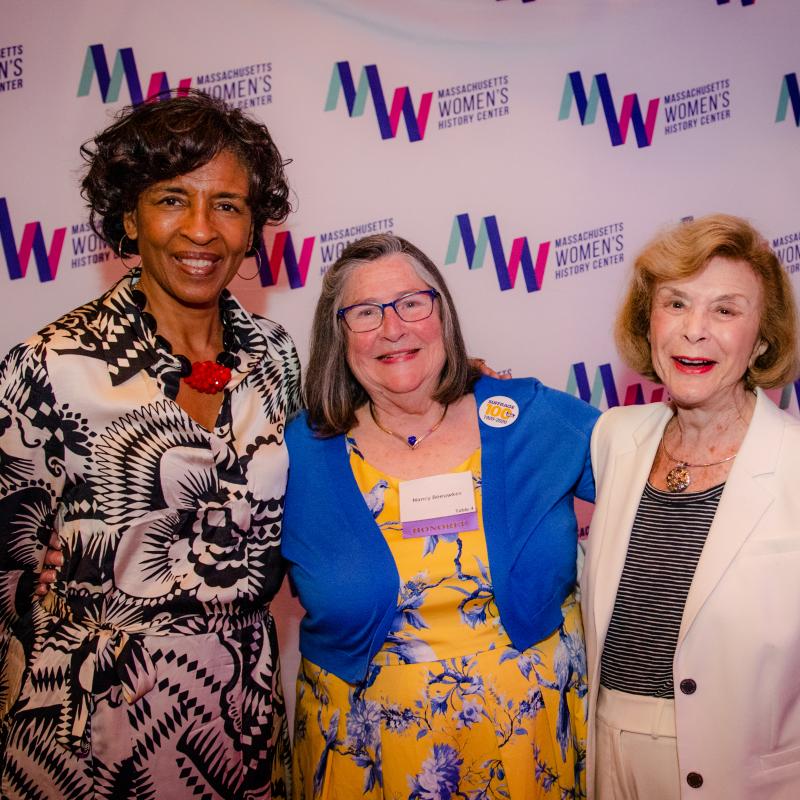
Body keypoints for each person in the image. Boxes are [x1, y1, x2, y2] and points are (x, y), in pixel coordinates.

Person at [0, 92, 300, 799]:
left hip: (241, 722)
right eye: (173, 199)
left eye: (227, 204)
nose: (201, 230)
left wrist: (456, 384)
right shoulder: (52, 363)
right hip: (86, 732)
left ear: (254, 225)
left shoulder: (279, 357)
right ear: (129, 217)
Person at [280, 233, 599, 798]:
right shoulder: (298, 453)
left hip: (527, 747)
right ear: (338, 336)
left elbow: (661, 467)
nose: (393, 327)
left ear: (442, 313)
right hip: (367, 759)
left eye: (411, 303)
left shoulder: (528, 416)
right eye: (365, 313)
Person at [580, 214, 800, 799]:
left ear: (761, 340)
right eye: (675, 303)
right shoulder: (614, 436)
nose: (694, 330)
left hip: (744, 774)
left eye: (726, 310)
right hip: (607, 756)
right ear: (647, 322)